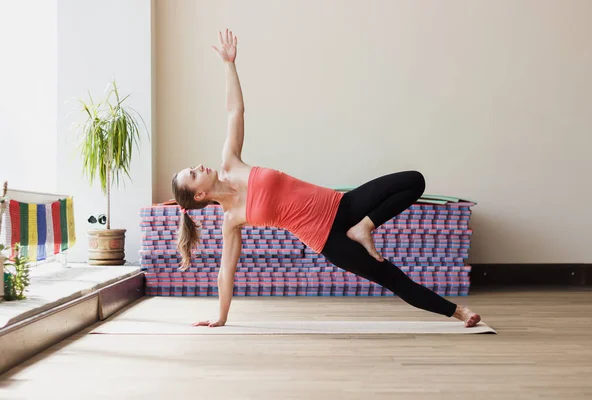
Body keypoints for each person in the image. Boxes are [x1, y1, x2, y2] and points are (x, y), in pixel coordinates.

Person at [171, 29, 481, 329]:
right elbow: (227, 270)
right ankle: (459, 312)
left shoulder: (231, 163)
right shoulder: (232, 220)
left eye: (194, 167)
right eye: (194, 174)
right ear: (199, 196)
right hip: (328, 241)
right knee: (392, 277)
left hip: (343, 205)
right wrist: (221, 316)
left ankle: (364, 227)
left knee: (414, 180)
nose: (199, 166)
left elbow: (234, 111)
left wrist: (229, 64)